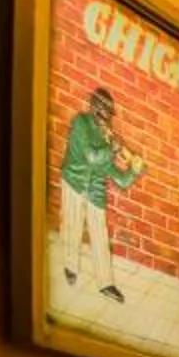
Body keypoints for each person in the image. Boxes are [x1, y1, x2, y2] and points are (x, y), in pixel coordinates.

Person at [56, 87, 139, 303]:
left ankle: (106, 283)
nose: (107, 119)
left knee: (100, 236)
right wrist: (112, 148)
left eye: (109, 115)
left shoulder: (105, 138)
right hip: (74, 180)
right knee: (72, 226)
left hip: (95, 190)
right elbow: (91, 157)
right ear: (95, 108)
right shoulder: (81, 123)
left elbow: (118, 178)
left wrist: (134, 171)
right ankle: (70, 266)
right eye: (104, 113)